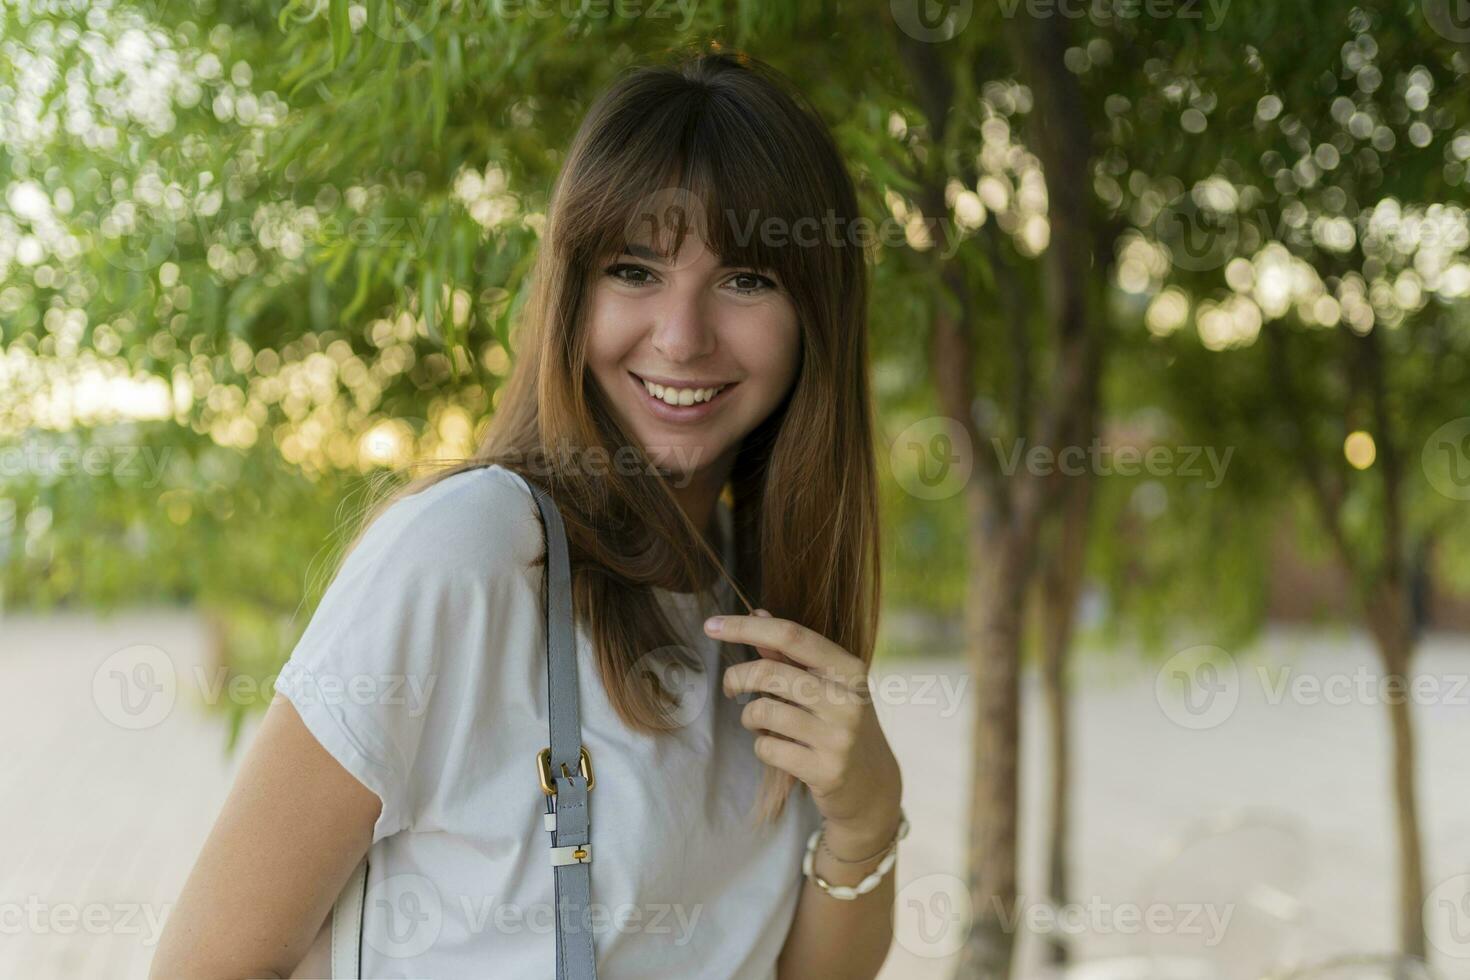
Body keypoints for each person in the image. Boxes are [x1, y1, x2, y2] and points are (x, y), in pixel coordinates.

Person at [151, 49, 903, 979]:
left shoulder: (759, 599)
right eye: (635, 270)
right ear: (570, 294)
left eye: (746, 279)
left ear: (816, 312)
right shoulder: (470, 555)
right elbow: (208, 964)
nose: (681, 335)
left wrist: (868, 819)